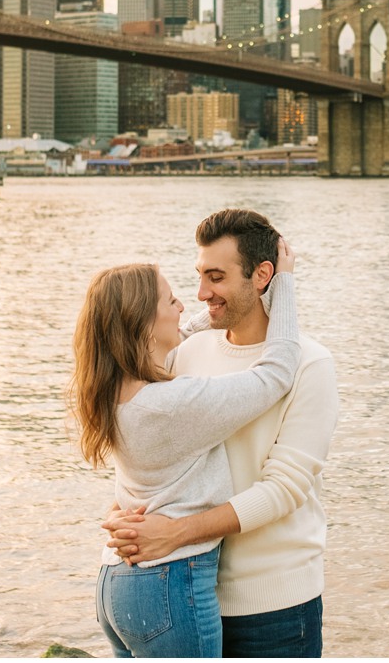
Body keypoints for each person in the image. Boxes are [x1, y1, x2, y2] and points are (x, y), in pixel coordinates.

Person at [103, 209, 339, 657]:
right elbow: (152, 452)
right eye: (199, 276)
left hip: (275, 607)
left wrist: (177, 533)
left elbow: (283, 489)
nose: (200, 293)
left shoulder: (310, 364)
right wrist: (123, 514)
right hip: (182, 591)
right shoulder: (184, 352)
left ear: (262, 275)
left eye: (216, 277)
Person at [70, 238, 299, 658]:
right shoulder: (171, 405)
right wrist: (282, 283)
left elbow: (175, 331)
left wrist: (215, 312)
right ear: (140, 323)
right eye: (172, 300)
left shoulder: (119, 394)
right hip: (168, 585)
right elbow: (277, 374)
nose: (184, 307)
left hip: (118, 582)